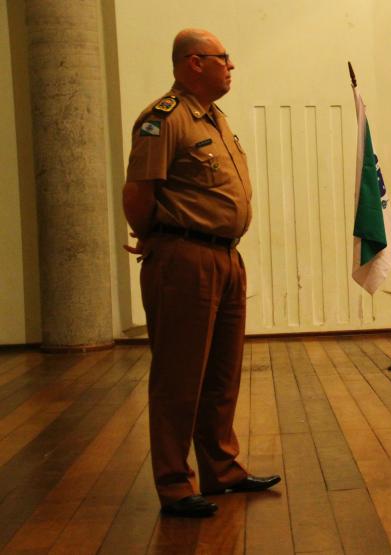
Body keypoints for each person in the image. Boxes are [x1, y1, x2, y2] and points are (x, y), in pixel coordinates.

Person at [122, 28, 280, 517]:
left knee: (221, 373)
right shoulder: (162, 119)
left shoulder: (214, 118)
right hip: (184, 257)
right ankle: (174, 483)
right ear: (194, 63)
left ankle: (222, 470)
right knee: (179, 374)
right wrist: (158, 238)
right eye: (223, 58)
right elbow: (138, 193)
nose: (230, 65)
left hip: (226, 257)